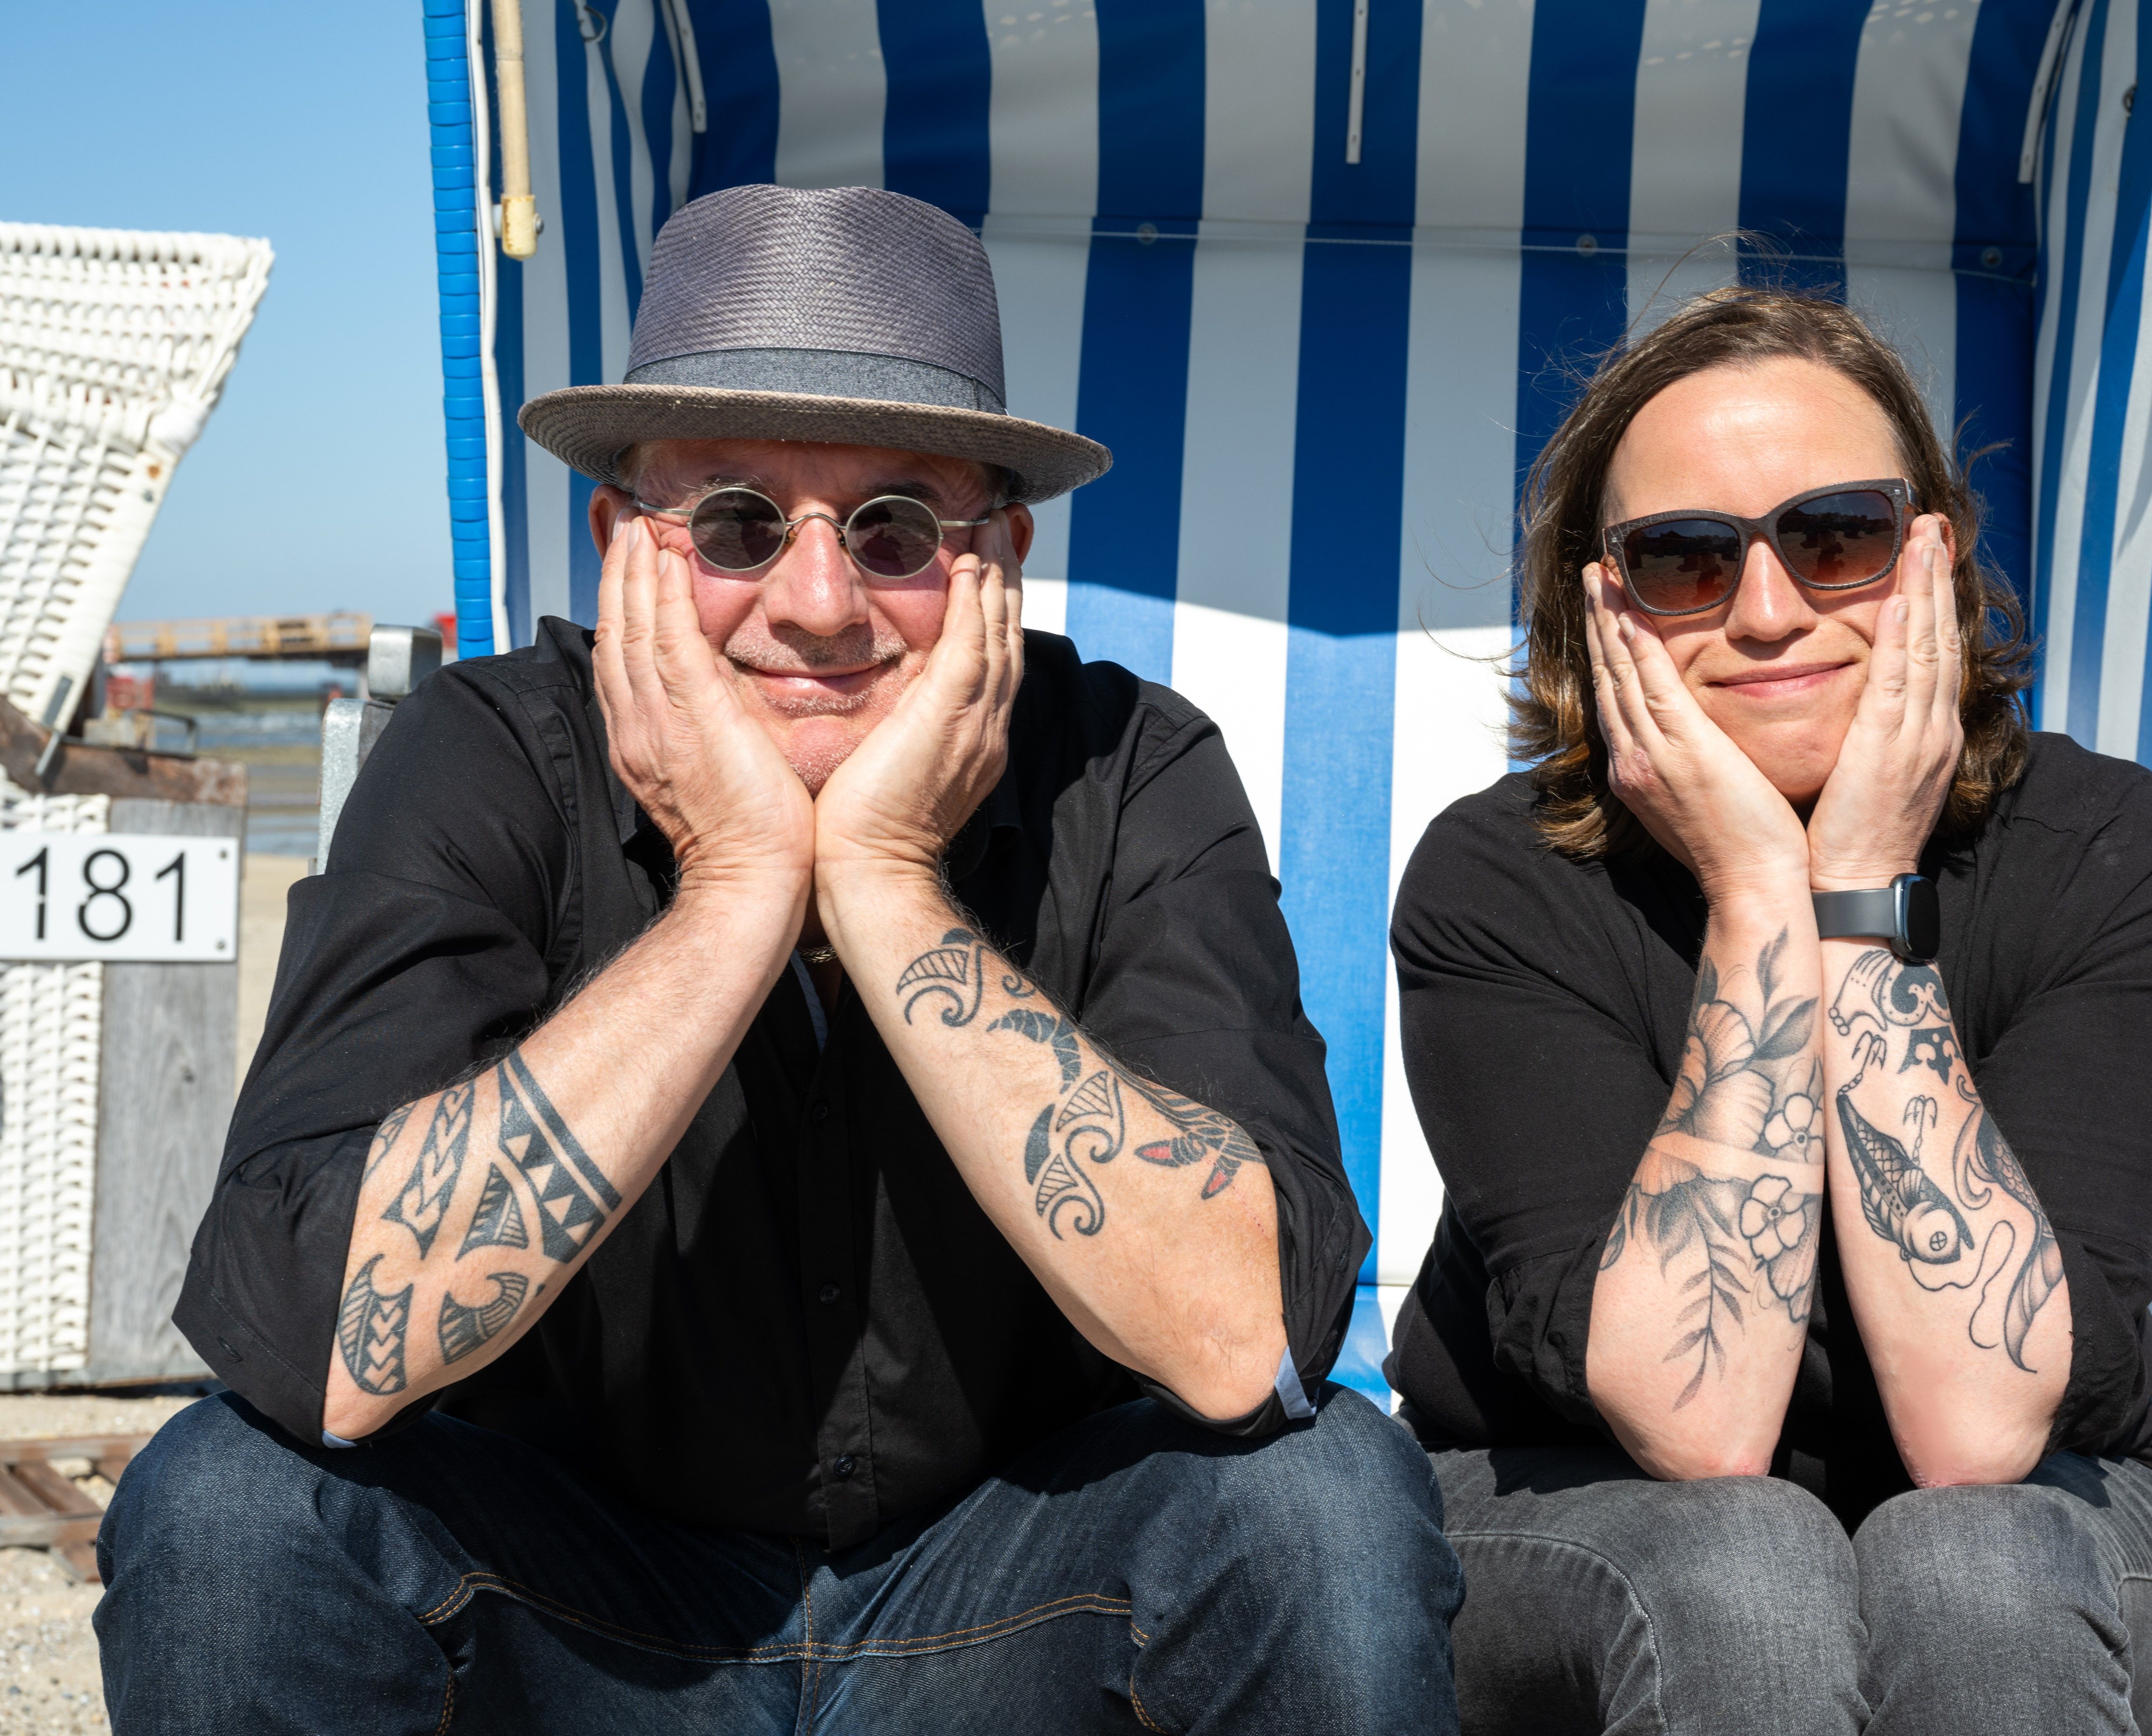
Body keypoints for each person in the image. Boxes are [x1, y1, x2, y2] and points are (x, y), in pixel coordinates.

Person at [97, 184, 1460, 1734]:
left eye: (898, 530)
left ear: (1000, 557)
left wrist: (884, 878)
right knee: (229, 1506)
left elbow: (1243, 1344)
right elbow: (318, 1344)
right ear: (623, 544)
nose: (819, 607)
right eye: (739, 523)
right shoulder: (489, 753)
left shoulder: (1127, 764)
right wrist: (739, 887)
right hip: (586, 1622)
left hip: (1007, 1606)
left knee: (1325, 1502)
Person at [1385, 286, 2152, 1736]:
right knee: (1743, 1567)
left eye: (1835, 537)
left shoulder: (2113, 851)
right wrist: (1755, 892)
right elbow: (1697, 1425)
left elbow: (1980, 1430)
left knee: (1973, 1570)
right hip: (1574, 1499)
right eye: (1686, 560)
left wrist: (1858, 890)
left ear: (1931, 559)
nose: (1769, 613)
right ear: (1606, 606)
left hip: (2048, 1519)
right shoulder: (1501, 878)